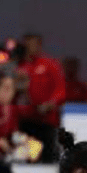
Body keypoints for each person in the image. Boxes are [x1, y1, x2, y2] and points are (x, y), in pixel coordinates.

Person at [16, 33, 66, 161]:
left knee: (48, 158)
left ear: (39, 45)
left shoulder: (50, 64)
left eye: (34, 45)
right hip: (26, 121)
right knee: (28, 158)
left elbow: (60, 90)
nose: (31, 48)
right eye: (28, 45)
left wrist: (50, 103)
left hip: (47, 121)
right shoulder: (19, 67)